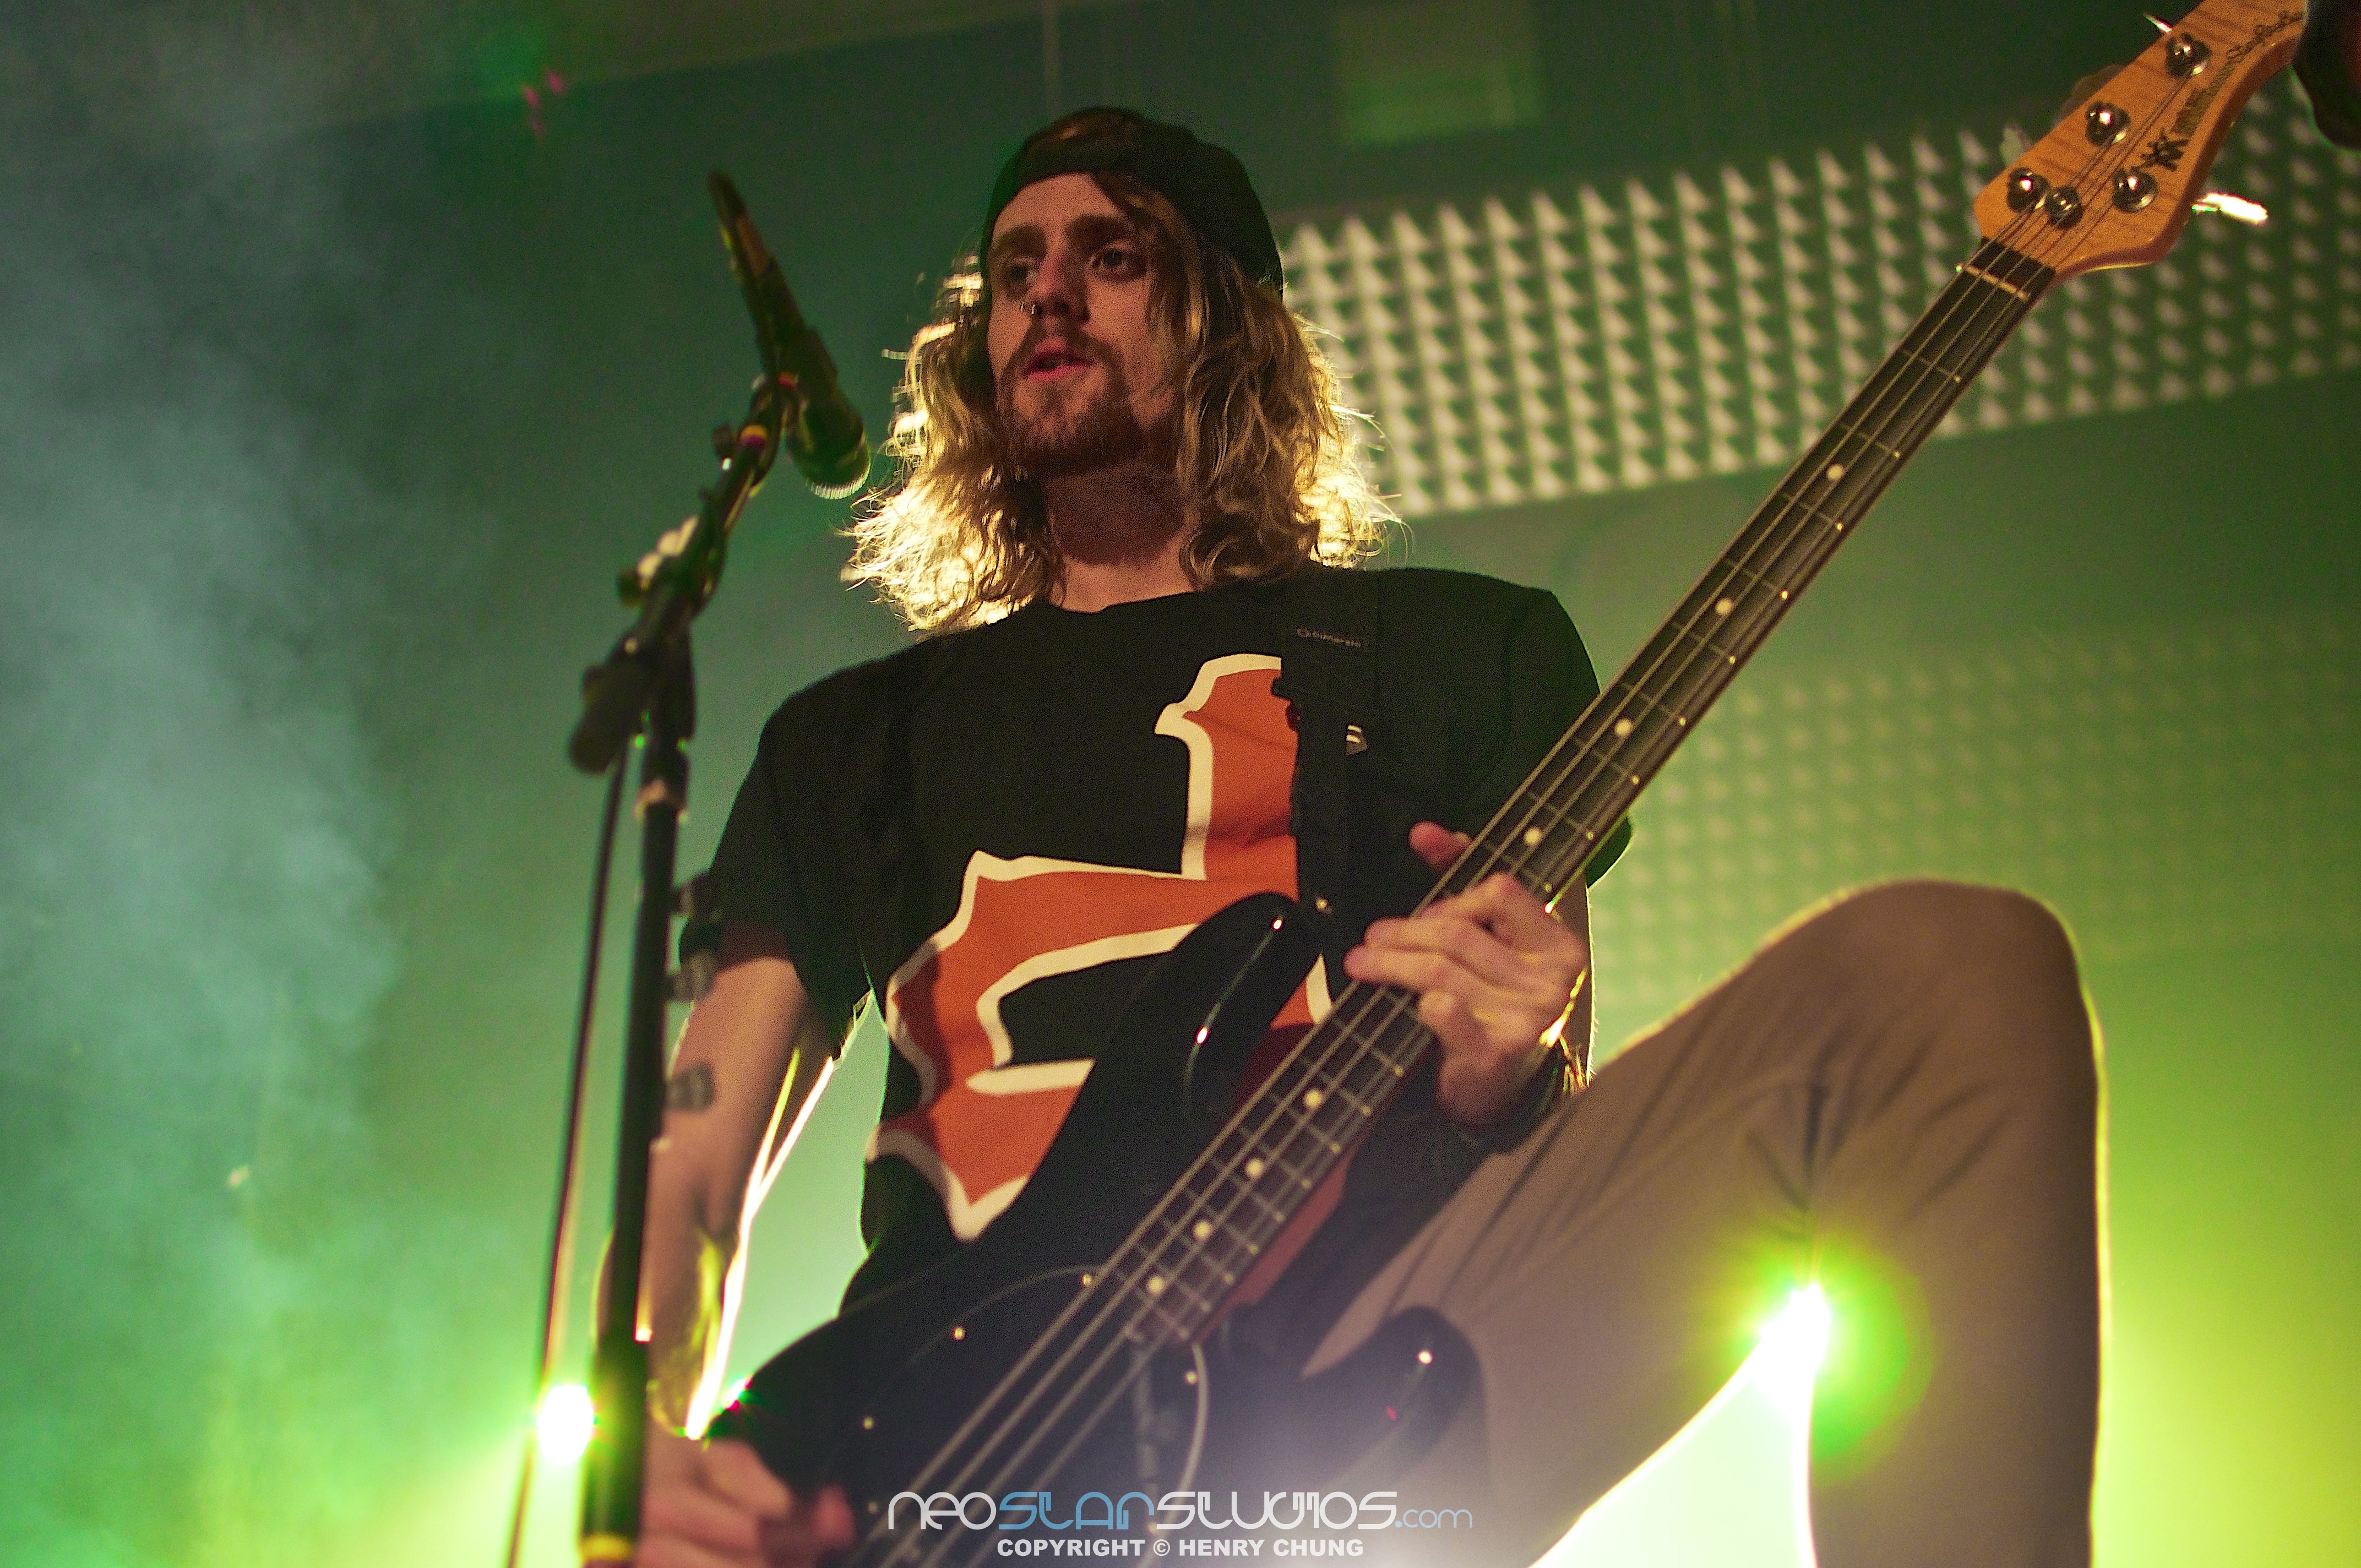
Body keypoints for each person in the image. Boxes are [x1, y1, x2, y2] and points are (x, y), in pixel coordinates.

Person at [623, 108, 2101, 1568]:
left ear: (1229, 326)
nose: (1048, 296)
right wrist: (644, 1455)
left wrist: (1506, 1064)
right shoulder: (856, 739)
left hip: (1360, 1361)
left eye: (1113, 256)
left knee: (1947, 977)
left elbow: (1536, 1074)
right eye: (1015, 271)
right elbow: (689, 1180)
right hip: (938, 1460)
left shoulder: (1459, 653)